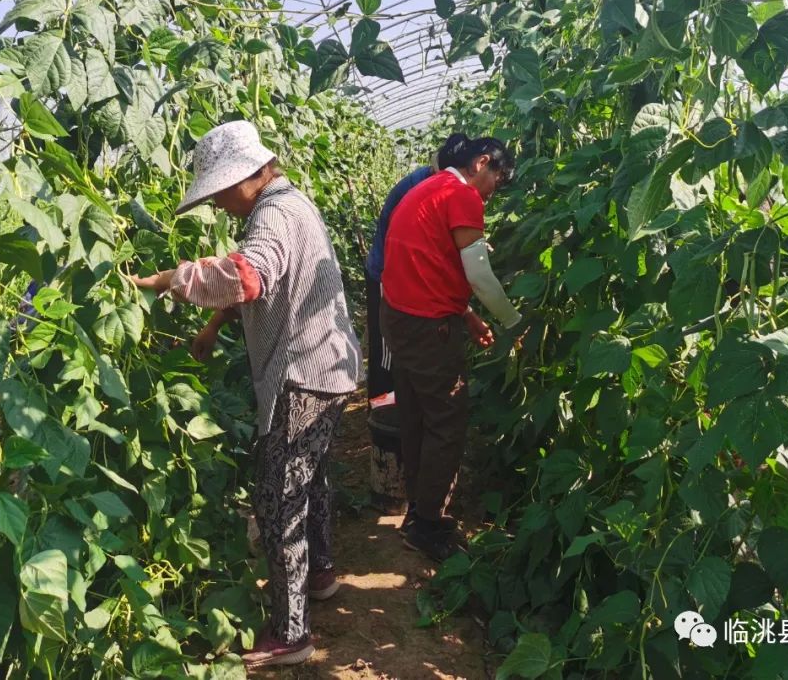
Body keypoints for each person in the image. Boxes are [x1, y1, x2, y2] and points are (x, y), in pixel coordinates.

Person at [131, 120, 362, 668]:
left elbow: (250, 276)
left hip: (302, 374)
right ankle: (321, 574)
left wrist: (168, 279)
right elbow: (268, 280)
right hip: (329, 367)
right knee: (312, 480)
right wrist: (214, 325)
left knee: (278, 499)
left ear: (245, 179)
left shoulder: (273, 213)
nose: (218, 206)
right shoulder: (289, 202)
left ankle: (292, 632)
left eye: (218, 194)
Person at [379, 133, 521, 561]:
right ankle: (427, 525)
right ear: (483, 163)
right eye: (499, 177)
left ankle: (417, 511)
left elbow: (430, 262)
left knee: (417, 415)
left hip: (400, 316)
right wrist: (513, 321)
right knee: (446, 421)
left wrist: (466, 314)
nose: (496, 190)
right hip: (427, 328)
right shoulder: (463, 197)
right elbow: (478, 273)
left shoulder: (427, 187)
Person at [363, 136, 459, 405]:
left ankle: (402, 412)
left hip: (401, 275)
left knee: (402, 352)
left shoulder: (429, 182)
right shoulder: (420, 187)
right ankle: (382, 415)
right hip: (387, 274)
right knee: (387, 351)